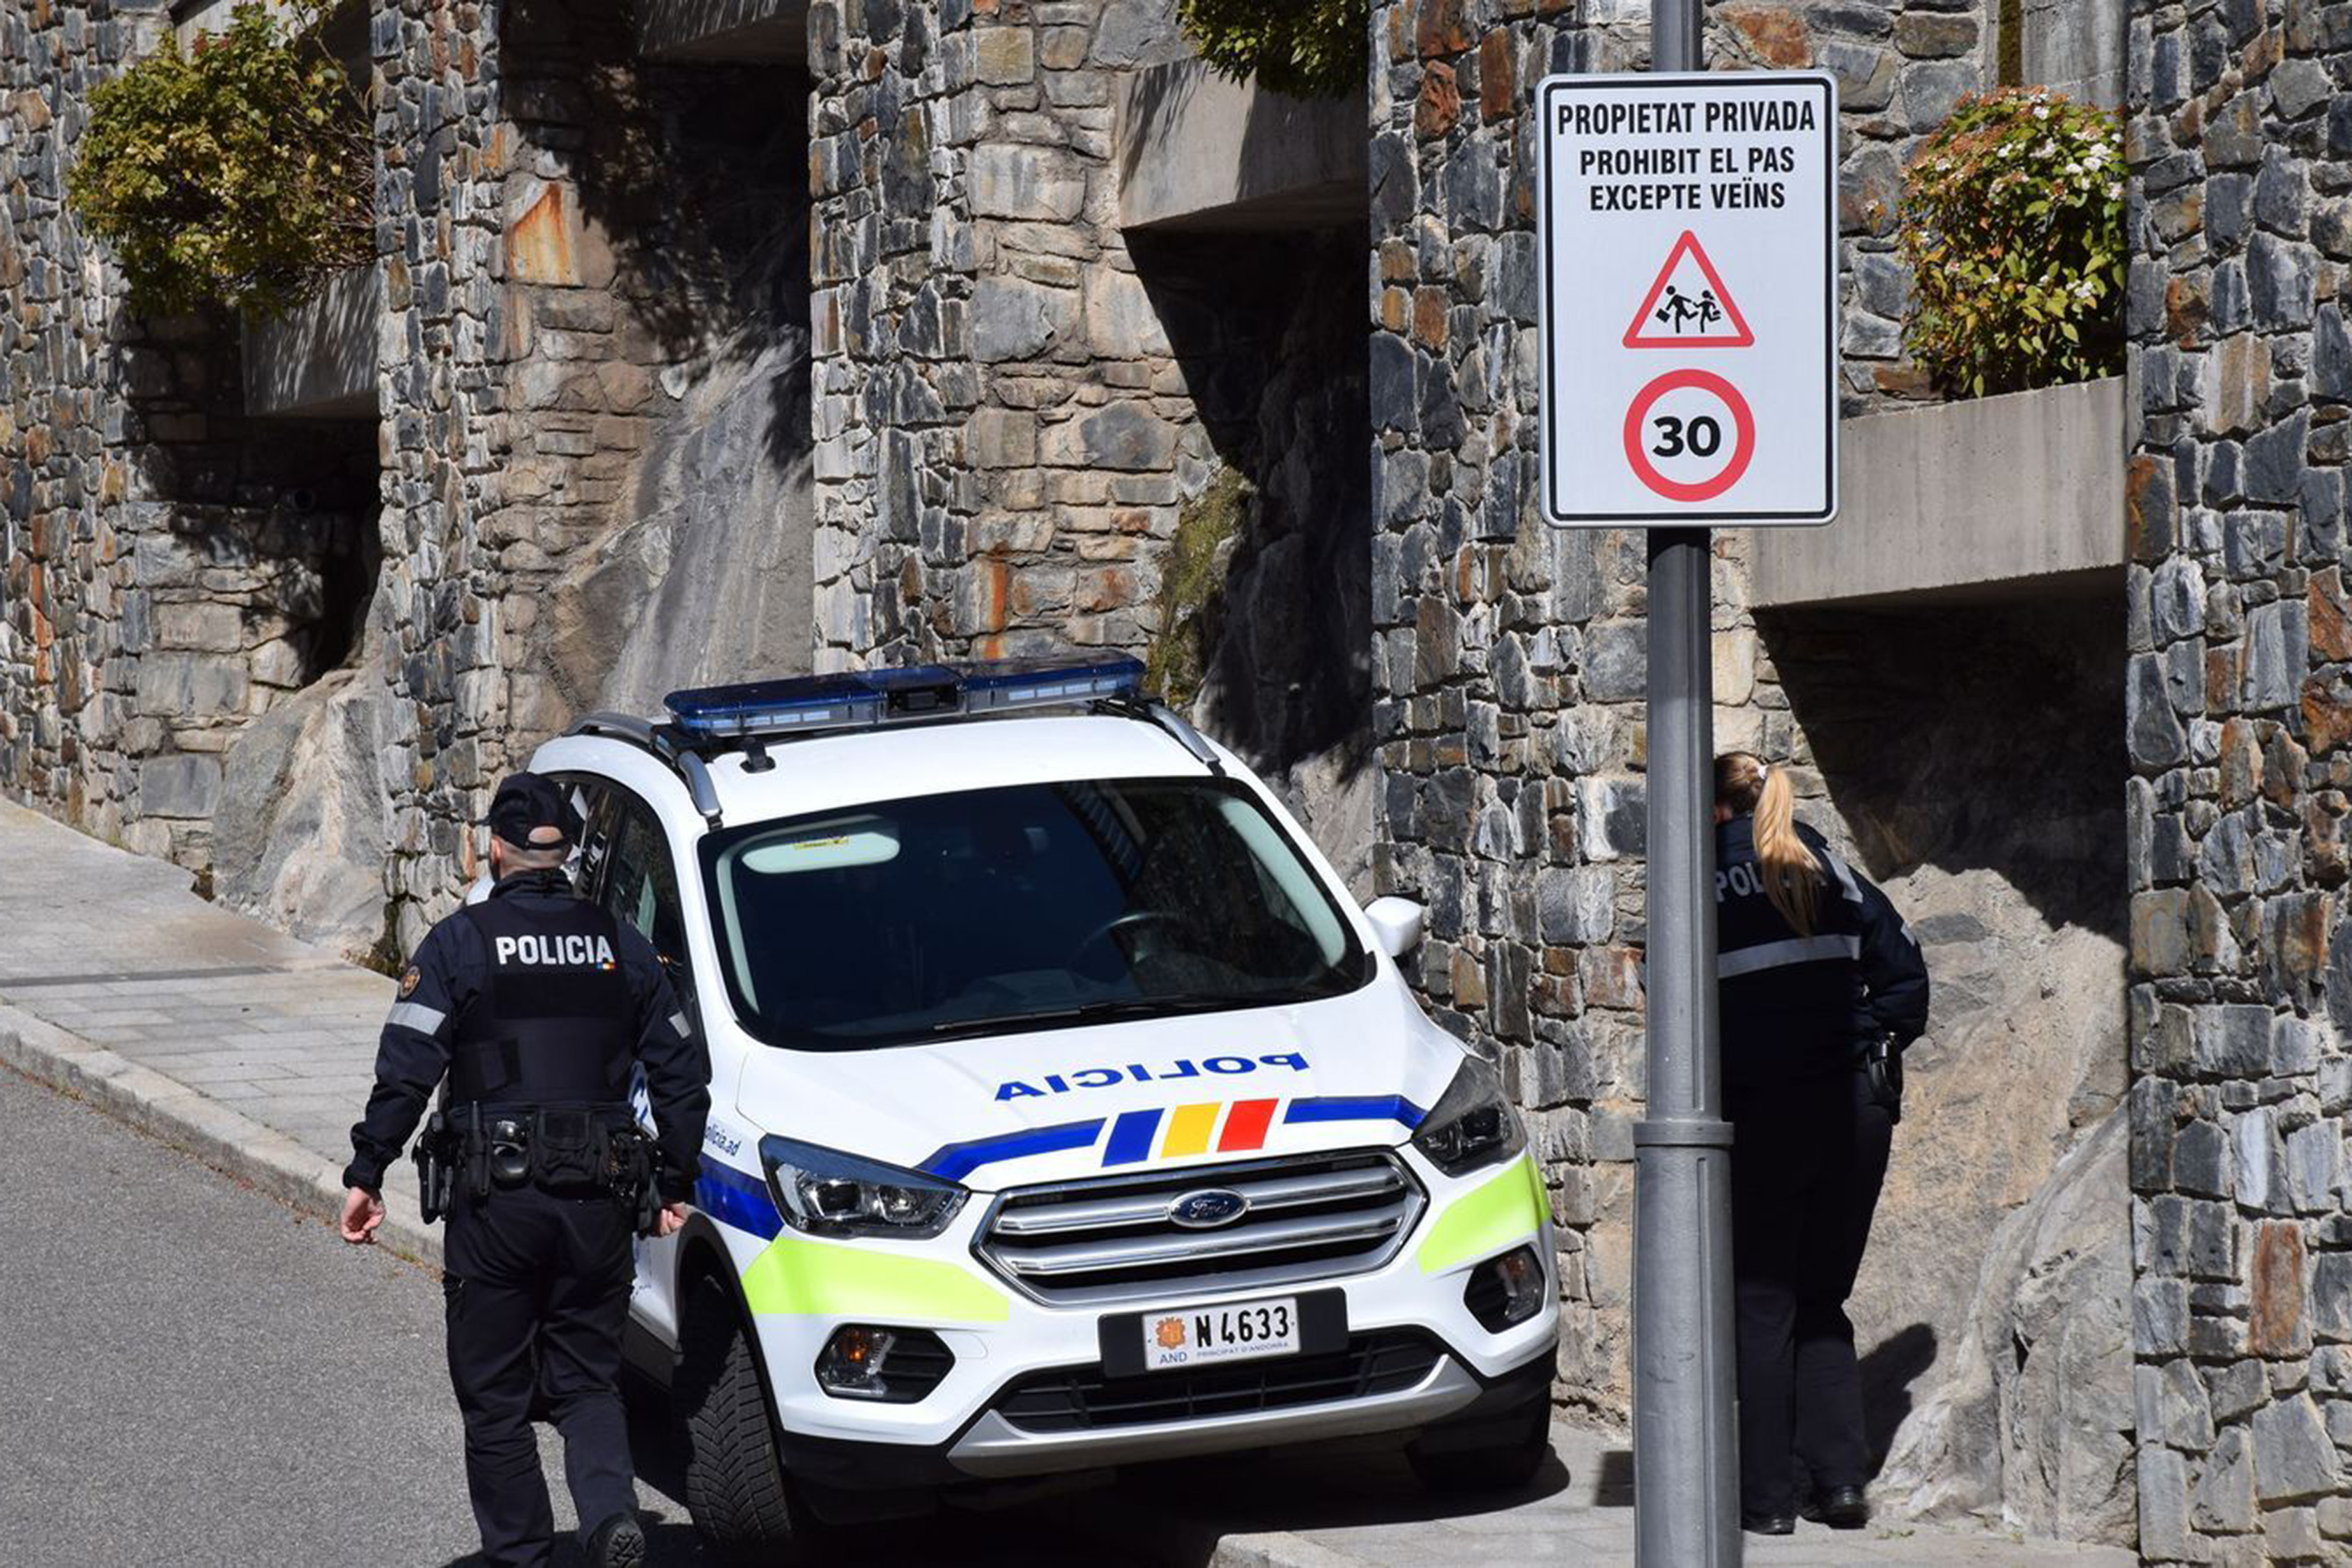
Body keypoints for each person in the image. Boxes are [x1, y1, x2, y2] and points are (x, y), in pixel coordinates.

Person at [338, 773, 711, 1568]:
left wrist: (368, 1170)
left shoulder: (461, 943)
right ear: (565, 853)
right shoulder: (622, 943)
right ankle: (609, 1516)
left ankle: (523, 1557)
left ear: (494, 850)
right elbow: (682, 1071)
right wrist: (674, 1183)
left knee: (495, 1397)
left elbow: (408, 1066)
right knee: (588, 1380)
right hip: (600, 1201)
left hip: (497, 1203)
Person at [1712, 753, 1928, 1536]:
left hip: (1761, 1110)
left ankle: (1768, 1501)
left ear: (1714, 811)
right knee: (1821, 1296)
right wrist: (1869, 1041)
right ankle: (1839, 1484)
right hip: (1852, 1108)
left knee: (1762, 1302)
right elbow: (1905, 977)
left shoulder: (1698, 883)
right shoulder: (1826, 867)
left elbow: (1667, 1008)